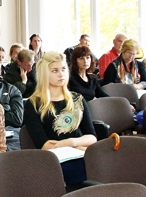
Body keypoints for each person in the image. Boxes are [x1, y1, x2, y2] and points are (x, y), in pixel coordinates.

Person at [25, 52, 96, 185]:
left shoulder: (77, 99)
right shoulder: (33, 104)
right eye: (55, 70)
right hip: (55, 160)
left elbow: (92, 137)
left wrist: (70, 142)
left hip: (81, 154)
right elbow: (44, 145)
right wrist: (79, 145)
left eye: (63, 69)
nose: (61, 74)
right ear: (45, 74)